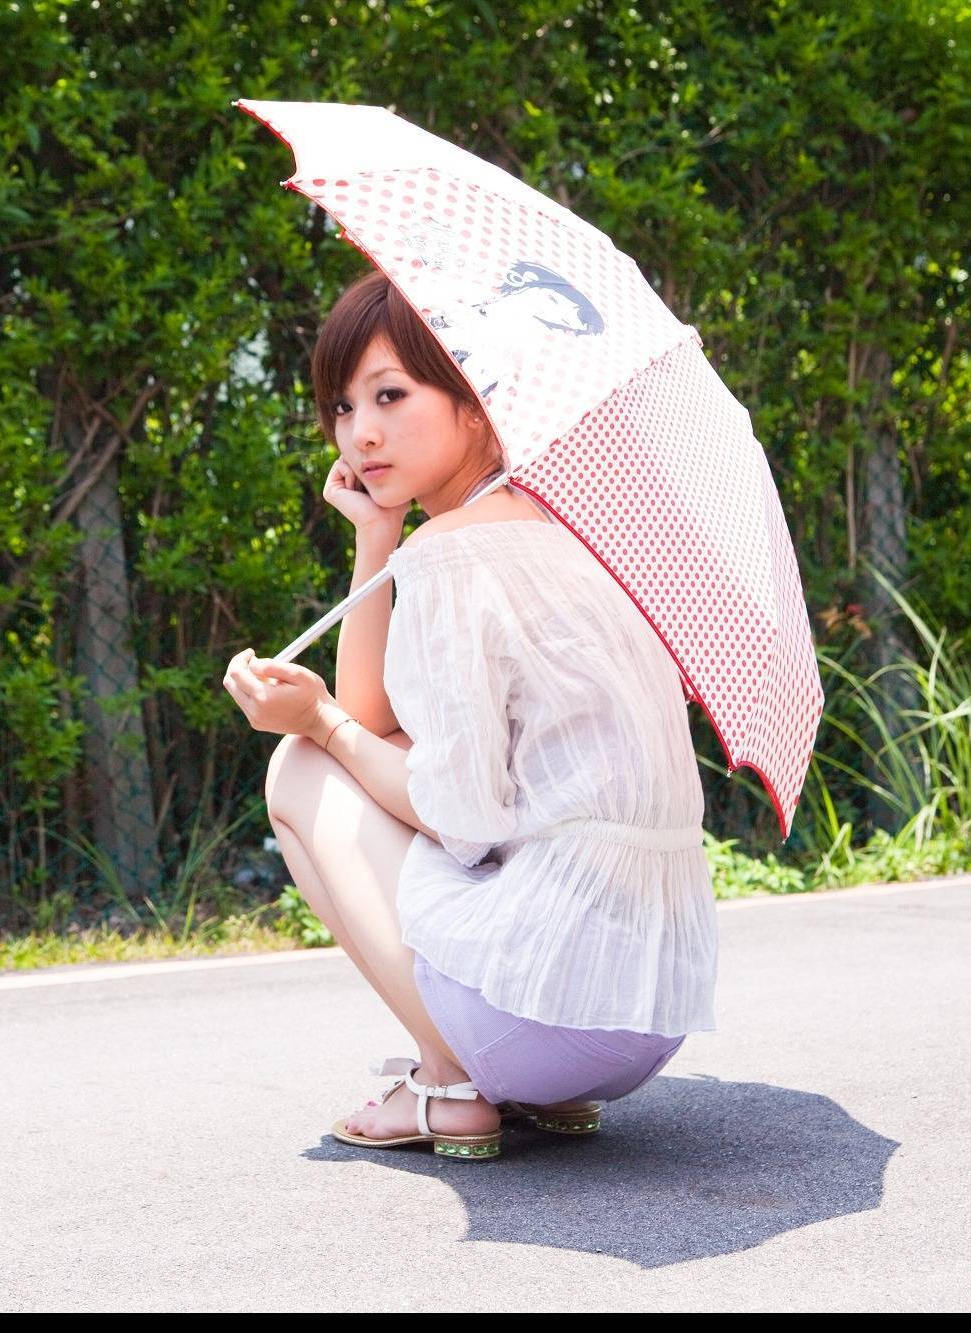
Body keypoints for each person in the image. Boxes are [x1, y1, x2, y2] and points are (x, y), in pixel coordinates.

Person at [221, 270, 717, 1162]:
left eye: (391, 394)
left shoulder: (456, 555)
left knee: (297, 766)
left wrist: (322, 725)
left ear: (477, 403)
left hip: (540, 1013)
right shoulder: (569, 531)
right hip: (638, 1016)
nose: (358, 431)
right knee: (384, 742)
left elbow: (453, 808)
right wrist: (378, 534)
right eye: (341, 405)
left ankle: (450, 1083)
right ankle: (525, 1088)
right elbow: (381, 715)